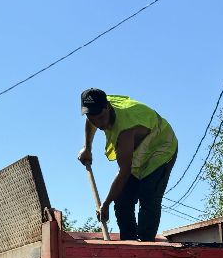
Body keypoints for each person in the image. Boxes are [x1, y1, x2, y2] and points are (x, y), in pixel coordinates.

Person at [76, 87, 178, 241]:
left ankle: (145, 245)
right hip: (139, 150)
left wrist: (106, 203)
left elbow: (124, 172)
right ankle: (128, 242)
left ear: (108, 107)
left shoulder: (125, 129)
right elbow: (91, 119)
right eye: (93, 117)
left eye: (101, 117)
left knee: (148, 195)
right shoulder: (98, 109)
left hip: (161, 146)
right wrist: (87, 148)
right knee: (123, 199)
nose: (98, 122)